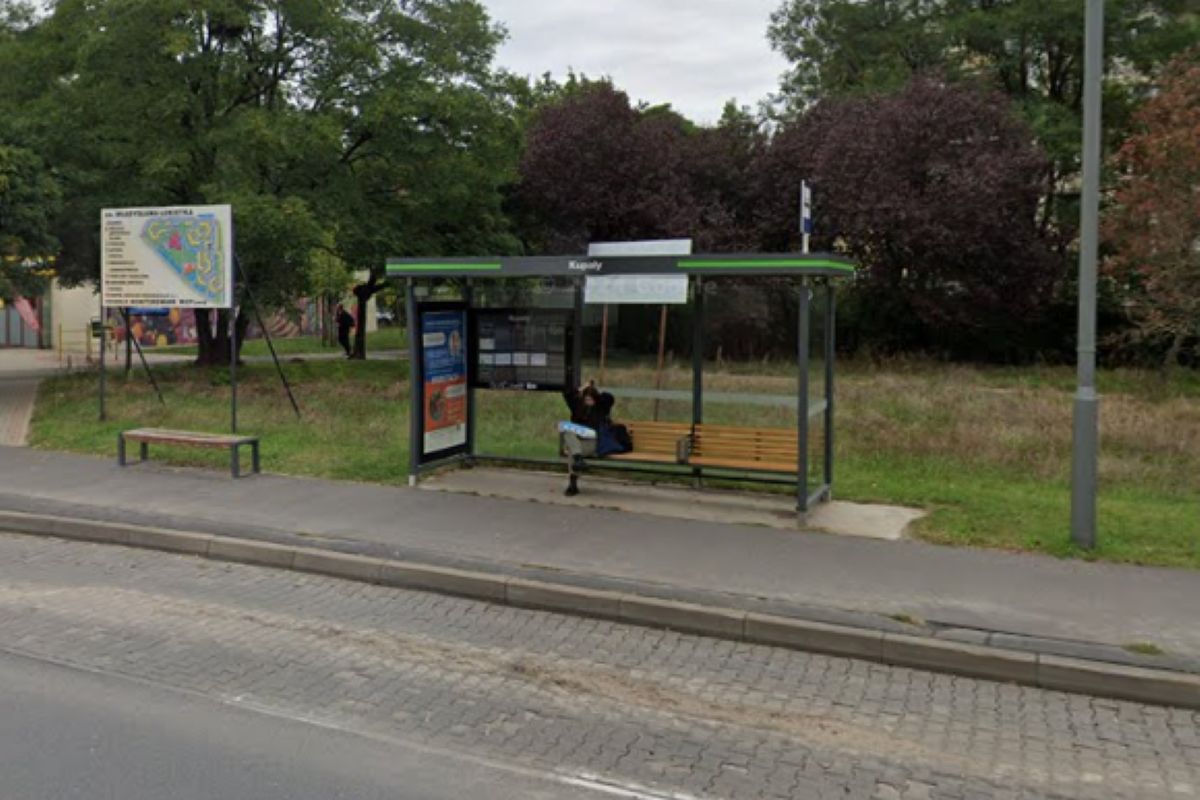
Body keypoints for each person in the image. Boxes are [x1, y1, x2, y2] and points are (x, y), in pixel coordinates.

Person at [561, 379, 616, 497]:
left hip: (592, 443)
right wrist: (583, 387)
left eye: (590, 399)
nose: (588, 401)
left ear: (595, 399)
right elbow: (567, 394)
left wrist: (594, 391)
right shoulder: (577, 407)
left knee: (572, 450)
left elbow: (610, 398)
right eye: (586, 399)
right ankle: (577, 463)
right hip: (578, 441)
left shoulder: (601, 408)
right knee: (566, 430)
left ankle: (573, 484)